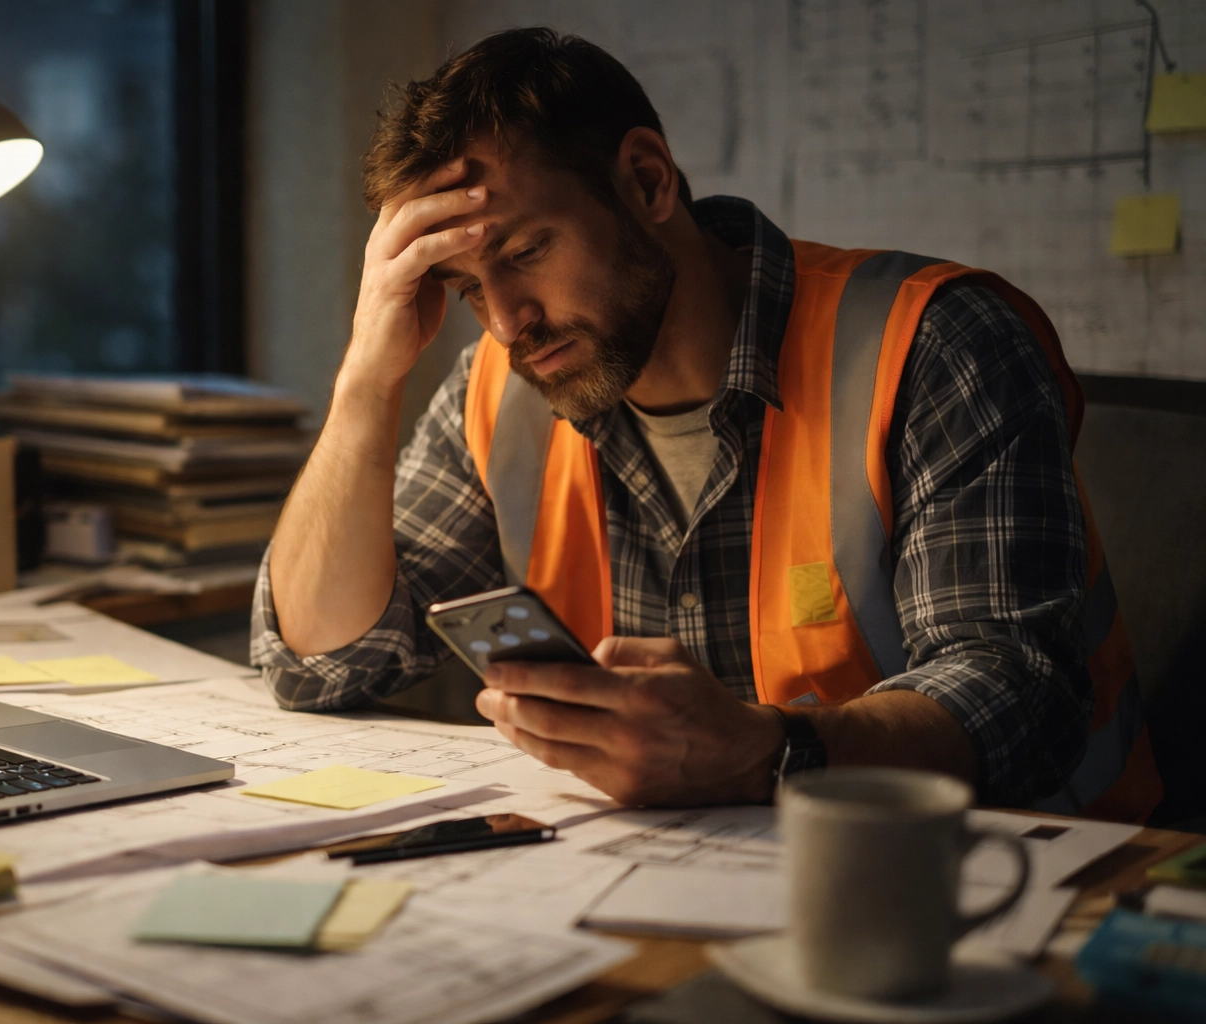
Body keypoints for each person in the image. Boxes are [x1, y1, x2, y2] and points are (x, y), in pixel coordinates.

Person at [250, 28, 1160, 821]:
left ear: (647, 181)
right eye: (463, 287)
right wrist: (367, 378)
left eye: (525, 252)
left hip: (1020, 893)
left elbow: (1018, 695)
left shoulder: (933, 342)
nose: (506, 321)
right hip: (688, 887)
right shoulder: (499, 386)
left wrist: (771, 752)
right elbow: (323, 664)